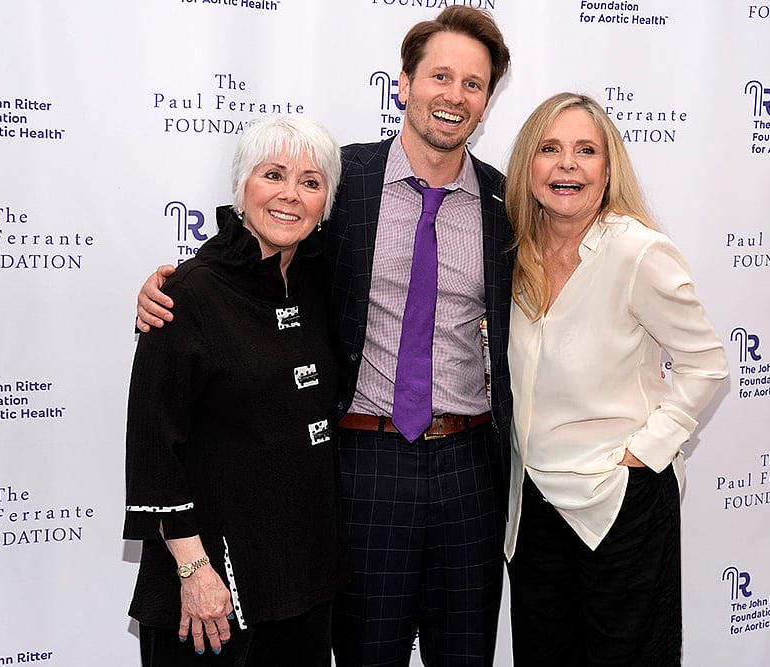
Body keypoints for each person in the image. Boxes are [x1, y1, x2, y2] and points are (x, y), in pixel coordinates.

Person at [135, 7, 513, 666]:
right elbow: (260, 253)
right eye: (440, 76)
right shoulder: (343, 183)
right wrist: (173, 285)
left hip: (470, 466)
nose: (454, 95)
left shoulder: (503, 205)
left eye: (473, 84)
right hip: (364, 464)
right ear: (404, 83)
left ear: (486, 103)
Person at [502, 92, 729, 666]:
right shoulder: (512, 253)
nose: (567, 164)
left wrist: (644, 452)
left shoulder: (637, 252)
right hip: (531, 509)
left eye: (586, 150)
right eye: (549, 149)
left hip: (618, 500)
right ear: (528, 166)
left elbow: (706, 364)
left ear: (608, 169)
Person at [123, 115, 352, 667]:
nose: (290, 195)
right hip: (211, 587)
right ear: (241, 185)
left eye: (311, 182)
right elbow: (155, 449)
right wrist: (194, 571)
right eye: (273, 175)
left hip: (303, 575)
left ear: (327, 202)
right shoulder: (186, 295)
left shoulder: (323, 281)